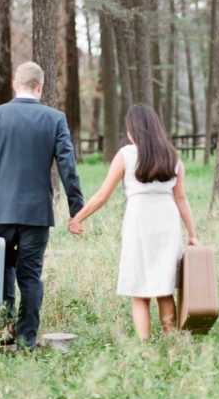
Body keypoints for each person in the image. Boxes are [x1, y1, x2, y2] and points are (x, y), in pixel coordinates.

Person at [0, 61, 84, 350]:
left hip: (0, 212)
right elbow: (68, 166)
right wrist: (76, 210)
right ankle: (26, 338)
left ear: (14, 85)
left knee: (3, 269)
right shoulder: (55, 119)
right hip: (36, 214)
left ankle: (6, 331)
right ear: (40, 87)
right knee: (30, 275)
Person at [68, 103, 198, 339]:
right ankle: (173, 346)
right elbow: (181, 199)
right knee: (165, 288)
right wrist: (192, 234)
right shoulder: (173, 156)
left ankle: (144, 351)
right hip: (167, 223)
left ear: (133, 130)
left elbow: (102, 195)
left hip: (139, 221)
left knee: (139, 292)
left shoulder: (126, 155)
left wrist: (78, 218)